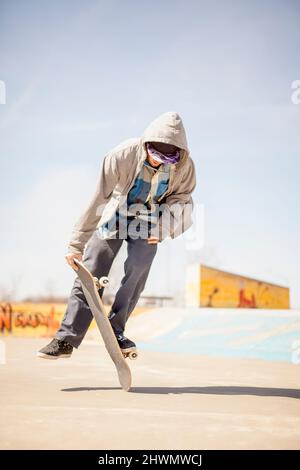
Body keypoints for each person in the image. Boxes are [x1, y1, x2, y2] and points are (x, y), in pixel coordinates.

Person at [37, 111, 196, 359]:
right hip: (114, 216)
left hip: (149, 222)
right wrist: (75, 244)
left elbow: (182, 202)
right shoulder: (121, 155)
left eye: (164, 159)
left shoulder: (184, 167)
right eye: (154, 156)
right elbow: (98, 198)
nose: (157, 163)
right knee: (91, 268)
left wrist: (162, 230)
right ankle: (66, 339)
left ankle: (117, 328)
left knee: (139, 266)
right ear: (146, 145)